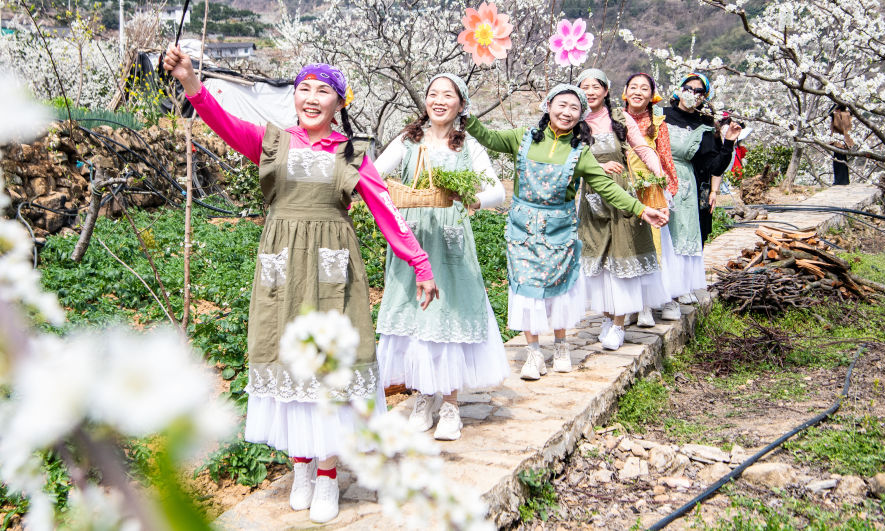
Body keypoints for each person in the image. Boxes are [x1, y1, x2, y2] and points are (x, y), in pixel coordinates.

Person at [162, 46, 439, 524]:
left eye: (323, 91)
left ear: (339, 102)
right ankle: (302, 468)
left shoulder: (352, 154)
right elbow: (222, 123)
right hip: (281, 271)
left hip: (333, 273)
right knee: (288, 362)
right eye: (304, 89)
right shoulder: (272, 143)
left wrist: (420, 263)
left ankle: (328, 475)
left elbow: (386, 211)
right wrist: (190, 82)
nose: (311, 98)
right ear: (294, 97)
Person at [465, 84, 669, 380]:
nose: (567, 112)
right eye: (561, 105)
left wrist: (640, 209)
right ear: (548, 106)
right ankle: (534, 353)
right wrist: (466, 115)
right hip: (523, 229)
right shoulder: (522, 138)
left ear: (581, 116)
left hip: (559, 230)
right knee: (526, 290)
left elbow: (607, 187)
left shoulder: (580, 152)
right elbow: (488, 137)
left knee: (559, 289)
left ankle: (561, 346)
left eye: (574, 108)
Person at [374, 73, 509, 441]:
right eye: (433, 93)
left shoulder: (468, 146)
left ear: (461, 105)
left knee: (447, 318)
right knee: (416, 318)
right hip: (413, 241)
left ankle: (450, 404)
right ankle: (423, 396)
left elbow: (497, 190)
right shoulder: (409, 140)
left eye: (447, 95)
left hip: (451, 244)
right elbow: (374, 174)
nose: (438, 100)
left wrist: (474, 199)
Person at [577, 69, 670, 350]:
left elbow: (643, 148)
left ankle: (619, 324)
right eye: (585, 87)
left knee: (623, 257)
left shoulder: (619, 118)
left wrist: (659, 173)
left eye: (596, 86)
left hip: (621, 197)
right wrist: (597, 167)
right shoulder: (575, 121)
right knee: (600, 261)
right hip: (592, 200)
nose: (590, 92)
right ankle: (607, 317)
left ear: (606, 90)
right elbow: (569, 159)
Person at [662, 73, 740, 304]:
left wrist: (728, 142)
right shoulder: (660, 115)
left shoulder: (705, 126)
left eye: (699, 91)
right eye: (688, 88)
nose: (692, 94)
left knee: (683, 232)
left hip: (686, 184)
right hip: (658, 178)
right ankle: (658, 289)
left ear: (704, 97)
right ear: (679, 89)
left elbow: (713, 165)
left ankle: (681, 286)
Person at [621, 72, 683, 326]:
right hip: (623, 188)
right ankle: (631, 303)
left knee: (654, 245)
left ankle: (651, 303)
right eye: (633, 87)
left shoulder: (658, 123)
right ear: (625, 92)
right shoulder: (615, 119)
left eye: (644, 88)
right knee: (627, 245)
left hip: (650, 189)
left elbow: (665, 157)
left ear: (652, 96)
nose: (638, 92)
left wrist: (669, 187)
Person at [831, 105, 854, 185]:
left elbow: (838, 126)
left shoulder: (838, 114)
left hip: (839, 141)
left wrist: (835, 114)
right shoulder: (848, 114)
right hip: (844, 140)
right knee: (842, 160)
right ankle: (844, 180)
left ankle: (839, 181)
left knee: (838, 161)